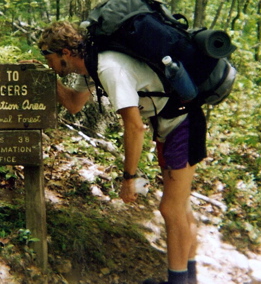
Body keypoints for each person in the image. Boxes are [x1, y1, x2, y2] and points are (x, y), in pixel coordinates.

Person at [37, 20, 206, 284]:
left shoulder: (108, 67)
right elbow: (73, 104)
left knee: (171, 208)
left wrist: (129, 178)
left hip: (182, 126)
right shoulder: (90, 66)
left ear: (65, 53)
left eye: (47, 56)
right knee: (179, 206)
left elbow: (135, 127)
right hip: (170, 125)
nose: (46, 61)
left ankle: (179, 281)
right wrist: (44, 77)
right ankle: (189, 277)